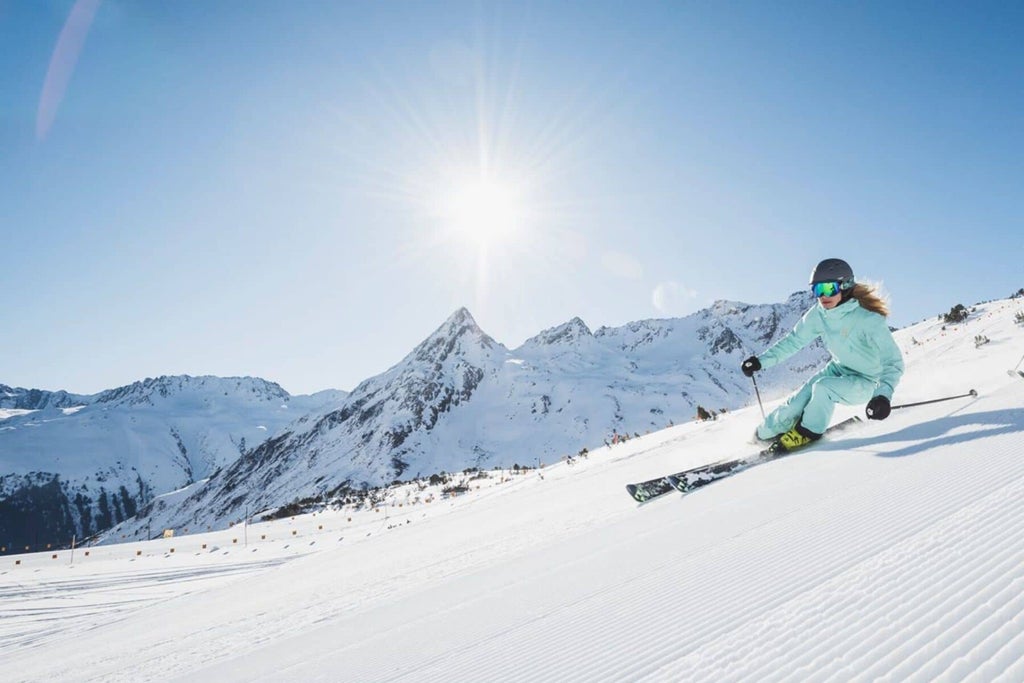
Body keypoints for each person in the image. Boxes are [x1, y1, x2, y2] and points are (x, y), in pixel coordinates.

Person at [740, 258, 904, 452]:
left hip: (869, 381)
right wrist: (760, 362)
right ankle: (761, 436)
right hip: (839, 368)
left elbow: (894, 362)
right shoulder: (818, 314)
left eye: (829, 289)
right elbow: (794, 340)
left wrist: (882, 396)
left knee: (823, 388)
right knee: (794, 405)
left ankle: (807, 432)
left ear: (845, 286)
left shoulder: (868, 320)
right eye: (818, 290)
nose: (823, 296)